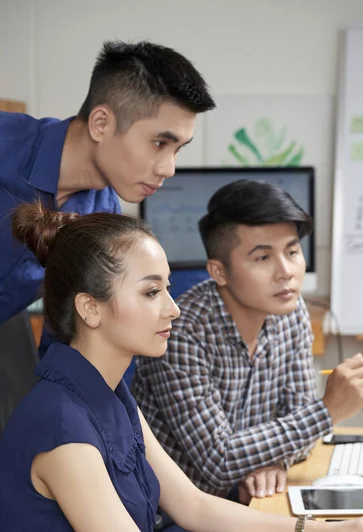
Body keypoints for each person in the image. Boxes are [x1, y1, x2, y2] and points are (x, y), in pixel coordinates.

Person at [0, 201, 363, 532]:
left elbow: (193, 505)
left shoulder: (110, 394)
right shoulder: (62, 426)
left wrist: (319, 530)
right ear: (90, 308)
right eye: (152, 292)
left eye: (167, 289)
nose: (173, 309)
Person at [132, 180, 363, 503]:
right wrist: (328, 411)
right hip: (174, 516)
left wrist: (276, 460)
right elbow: (217, 462)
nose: (286, 272)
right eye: (263, 258)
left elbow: (297, 416)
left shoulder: (291, 312)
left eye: (292, 251)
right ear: (219, 272)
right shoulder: (182, 332)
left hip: (246, 500)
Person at [0, 39, 215, 346]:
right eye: (159, 143)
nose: (169, 169)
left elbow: (69, 342)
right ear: (101, 124)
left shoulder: (104, 220)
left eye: (178, 149)